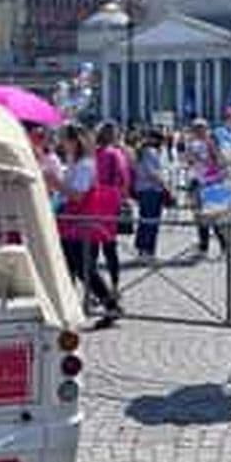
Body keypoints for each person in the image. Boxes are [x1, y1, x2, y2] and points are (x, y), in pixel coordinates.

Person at [55, 125, 119, 320]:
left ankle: (110, 303)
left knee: (85, 269)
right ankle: (68, 307)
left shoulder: (85, 165)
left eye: (63, 139)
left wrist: (55, 183)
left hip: (81, 222)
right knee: (67, 267)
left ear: (74, 142)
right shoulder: (75, 162)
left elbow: (78, 196)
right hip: (70, 223)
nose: (60, 144)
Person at [92, 121, 130, 309]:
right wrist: (122, 199)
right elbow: (123, 179)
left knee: (91, 248)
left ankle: (94, 291)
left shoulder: (93, 153)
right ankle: (114, 287)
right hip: (109, 203)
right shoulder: (116, 154)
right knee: (110, 248)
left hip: (92, 201)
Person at [184, 119, 227, 255]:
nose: (197, 132)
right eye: (195, 129)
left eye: (200, 129)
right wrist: (190, 159)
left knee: (214, 217)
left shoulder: (211, 144)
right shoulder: (191, 144)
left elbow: (220, 162)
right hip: (197, 182)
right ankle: (203, 246)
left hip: (211, 183)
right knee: (199, 216)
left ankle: (224, 245)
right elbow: (189, 162)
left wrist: (203, 160)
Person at [133, 130, 167, 259]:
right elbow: (153, 173)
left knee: (144, 220)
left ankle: (142, 248)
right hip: (152, 189)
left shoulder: (141, 151)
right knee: (152, 221)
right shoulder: (150, 152)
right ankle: (148, 250)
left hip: (142, 189)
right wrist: (165, 185)